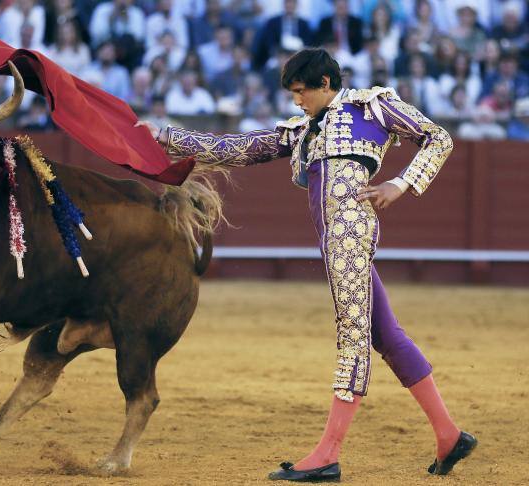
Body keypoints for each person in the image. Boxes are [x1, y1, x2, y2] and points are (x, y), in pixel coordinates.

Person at [136, 47, 477, 482]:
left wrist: (400, 182)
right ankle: (449, 435)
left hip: (349, 232)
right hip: (333, 239)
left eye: (302, 93)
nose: (297, 101)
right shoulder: (302, 130)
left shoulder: (372, 106)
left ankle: (327, 454)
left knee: (352, 338)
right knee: (385, 335)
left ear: (326, 85)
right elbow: (237, 148)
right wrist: (164, 136)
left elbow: (438, 137)